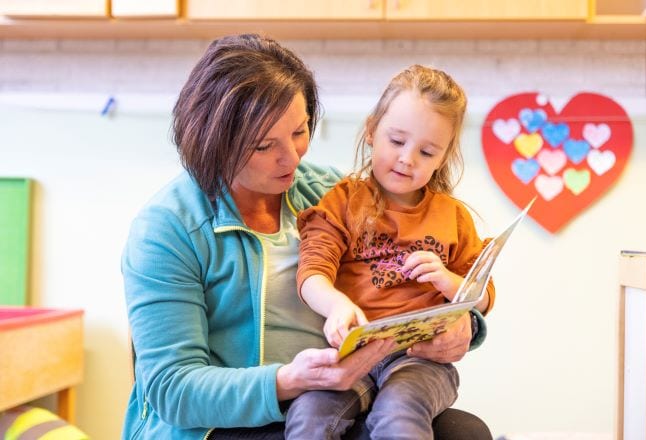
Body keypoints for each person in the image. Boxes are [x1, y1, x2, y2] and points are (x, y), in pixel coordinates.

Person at [122, 34, 492, 440]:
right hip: (217, 424)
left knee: (463, 431)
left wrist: (463, 326)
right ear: (214, 144)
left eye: (299, 132)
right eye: (265, 146)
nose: (293, 158)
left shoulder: (330, 194)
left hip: (328, 393)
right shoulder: (166, 230)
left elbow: (422, 272)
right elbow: (171, 390)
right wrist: (288, 380)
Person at [285, 65, 495, 440]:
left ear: (442, 158)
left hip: (420, 361)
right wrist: (335, 305)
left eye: (427, 151)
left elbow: (482, 295)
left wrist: (448, 280)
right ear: (371, 131)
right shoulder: (343, 201)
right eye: (396, 141)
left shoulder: (453, 217)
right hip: (353, 355)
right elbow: (313, 268)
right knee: (309, 415)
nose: (407, 159)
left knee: (399, 414)